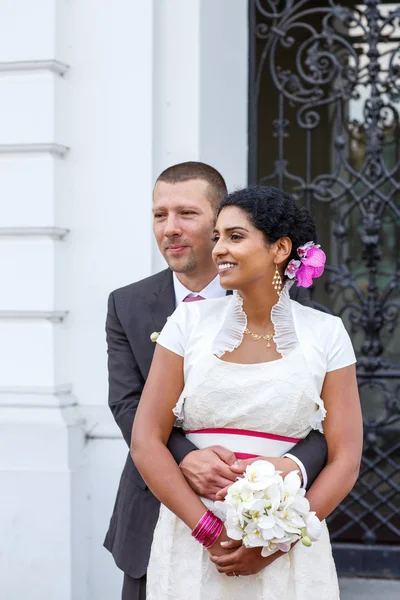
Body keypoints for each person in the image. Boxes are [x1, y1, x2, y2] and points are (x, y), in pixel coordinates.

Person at [104, 164, 329, 599]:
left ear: (220, 222)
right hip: (154, 512)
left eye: (187, 213)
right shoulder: (127, 304)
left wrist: (292, 470)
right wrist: (186, 457)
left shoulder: (290, 302)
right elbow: (126, 404)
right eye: (159, 215)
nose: (170, 228)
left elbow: (323, 418)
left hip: (270, 520)